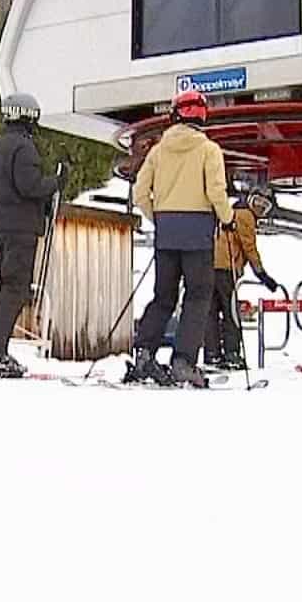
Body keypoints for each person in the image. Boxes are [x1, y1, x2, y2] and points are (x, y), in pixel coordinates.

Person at [125, 89, 231, 388]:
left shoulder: (159, 151)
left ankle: (145, 352)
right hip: (198, 231)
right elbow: (215, 192)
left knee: (164, 297)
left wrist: (158, 216)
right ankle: (184, 360)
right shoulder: (209, 150)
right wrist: (228, 219)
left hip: (167, 230)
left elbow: (140, 192)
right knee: (198, 297)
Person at [0, 92, 60, 379]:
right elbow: (29, 186)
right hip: (20, 227)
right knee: (16, 290)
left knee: (8, 288)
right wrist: (56, 182)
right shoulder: (24, 148)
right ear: (30, 117)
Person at [205, 184, 281, 371]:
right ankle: (232, 353)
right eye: (258, 203)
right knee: (230, 312)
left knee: (211, 311)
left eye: (264, 206)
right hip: (226, 267)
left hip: (210, 265)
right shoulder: (245, 215)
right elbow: (249, 247)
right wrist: (262, 274)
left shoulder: (231, 211)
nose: (259, 209)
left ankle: (212, 353)